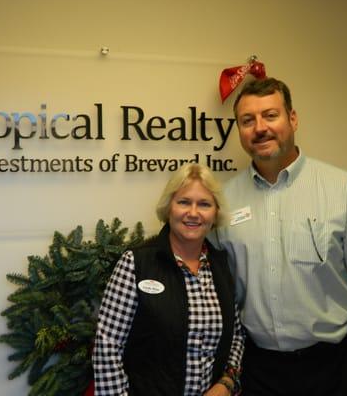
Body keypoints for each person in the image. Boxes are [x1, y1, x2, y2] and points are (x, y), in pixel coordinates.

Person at [214, 77, 347, 396]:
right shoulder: (224, 201)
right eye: (248, 120)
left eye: (270, 115)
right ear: (239, 130)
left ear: (293, 119)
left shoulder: (342, 189)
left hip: (334, 366)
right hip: (257, 371)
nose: (260, 127)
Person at [93, 163, 245, 396]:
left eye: (204, 204)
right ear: (168, 208)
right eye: (184, 202)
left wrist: (226, 383)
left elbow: (235, 336)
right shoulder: (136, 263)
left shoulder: (220, 265)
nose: (193, 213)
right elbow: (107, 347)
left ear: (215, 214)